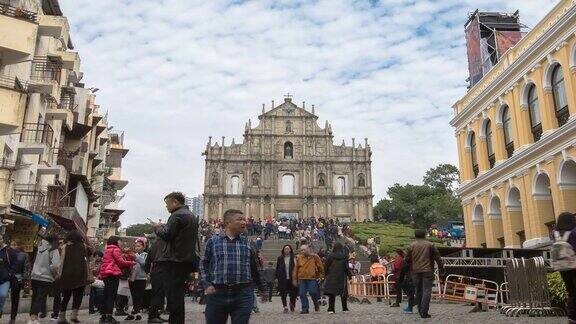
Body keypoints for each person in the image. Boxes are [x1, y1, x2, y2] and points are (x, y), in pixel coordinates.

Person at [202, 209, 266, 324]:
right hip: (217, 293)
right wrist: (207, 284)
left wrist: (262, 288)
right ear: (227, 223)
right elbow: (203, 264)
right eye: (239, 219)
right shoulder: (213, 242)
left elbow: (255, 268)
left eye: (244, 219)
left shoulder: (249, 243)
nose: (244, 222)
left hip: (243, 294)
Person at [151, 192, 199, 324]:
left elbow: (167, 235)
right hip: (184, 260)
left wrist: (157, 228)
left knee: (173, 296)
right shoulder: (190, 215)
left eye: (167, 204)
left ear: (175, 202)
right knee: (177, 295)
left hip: (174, 260)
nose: (166, 207)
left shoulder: (177, 215)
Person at [404, 229, 444, 319]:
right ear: (424, 235)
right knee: (426, 291)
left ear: (415, 235)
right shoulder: (430, 245)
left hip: (415, 271)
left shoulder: (411, 246)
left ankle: (419, 309)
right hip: (428, 270)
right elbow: (438, 258)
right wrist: (441, 268)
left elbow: (406, 259)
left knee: (418, 291)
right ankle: (424, 311)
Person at [99, 236, 136, 324]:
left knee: (106, 295)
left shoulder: (107, 249)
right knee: (111, 296)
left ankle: (103, 317)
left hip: (105, 274)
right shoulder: (116, 249)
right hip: (112, 273)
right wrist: (131, 263)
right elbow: (121, 262)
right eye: (120, 241)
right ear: (116, 241)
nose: (121, 243)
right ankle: (109, 317)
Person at [56, 230, 89, 324]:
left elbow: (61, 261)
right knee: (78, 296)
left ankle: (61, 316)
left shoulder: (64, 247)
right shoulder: (84, 246)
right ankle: (74, 315)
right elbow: (85, 260)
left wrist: (59, 273)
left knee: (66, 296)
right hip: (80, 274)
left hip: (67, 275)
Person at [28, 235, 60, 324]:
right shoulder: (54, 249)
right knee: (40, 297)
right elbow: (55, 265)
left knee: (35, 297)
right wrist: (55, 275)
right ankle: (33, 318)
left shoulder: (40, 247)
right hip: (46, 277)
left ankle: (33, 317)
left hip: (35, 276)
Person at [553, 212, 576, 322]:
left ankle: (571, 316)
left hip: (561, 266)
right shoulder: (574, 231)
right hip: (573, 264)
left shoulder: (555, 233)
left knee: (570, 291)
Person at [292, 244, 324, 314]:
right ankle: (305, 308)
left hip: (311, 278)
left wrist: (320, 276)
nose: (302, 251)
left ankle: (316, 302)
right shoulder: (299, 258)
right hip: (301, 278)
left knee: (313, 292)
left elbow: (320, 267)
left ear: (308, 249)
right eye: (301, 250)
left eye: (304, 250)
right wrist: (294, 279)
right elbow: (296, 269)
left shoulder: (315, 257)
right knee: (302, 293)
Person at [144, 236, 168, 323]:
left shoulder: (154, 245)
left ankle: (156, 314)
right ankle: (152, 315)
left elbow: (147, 262)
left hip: (155, 271)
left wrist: (148, 272)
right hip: (162, 270)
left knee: (158, 294)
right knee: (157, 295)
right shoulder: (165, 244)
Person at [323, 242, 351, 314]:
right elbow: (346, 268)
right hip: (342, 276)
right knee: (343, 293)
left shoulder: (330, 256)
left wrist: (325, 274)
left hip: (332, 276)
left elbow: (326, 266)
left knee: (332, 293)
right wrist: (350, 276)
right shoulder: (344, 256)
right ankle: (344, 308)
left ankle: (331, 309)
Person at [9, 239, 30, 324]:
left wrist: (25, 279)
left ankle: (13, 317)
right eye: (12, 244)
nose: (13, 246)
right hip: (7, 278)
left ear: (19, 245)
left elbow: (27, 268)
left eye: (15, 244)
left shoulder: (24, 255)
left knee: (15, 299)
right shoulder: (7, 254)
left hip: (18, 279)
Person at [126, 238, 148, 321]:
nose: (136, 247)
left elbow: (144, 264)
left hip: (141, 278)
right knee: (134, 296)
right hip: (132, 278)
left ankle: (136, 313)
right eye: (136, 246)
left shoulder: (146, 255)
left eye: (139, 246)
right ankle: (135, 313)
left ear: (143, 247)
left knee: (139, 296)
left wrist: (135, 257)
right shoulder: (134, 254)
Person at [275, 244, 297, 313]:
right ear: (283, 250)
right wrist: (276, 277)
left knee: (293, 294)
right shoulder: (280, 258)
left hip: (292, 278)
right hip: (283, 278)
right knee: (283, 294)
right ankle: (285, 306)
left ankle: (292, 304)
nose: (286, 250)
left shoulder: (294, 258)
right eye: (285, 249)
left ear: (290, 250)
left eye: (288, 248)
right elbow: (277, 268)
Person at [0, 234, 17, 319]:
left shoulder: (8, 251)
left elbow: (15, 263)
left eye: (0, 239)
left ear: (3, 240)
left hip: (5, 279)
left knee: (2, 295)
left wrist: (10, 273)